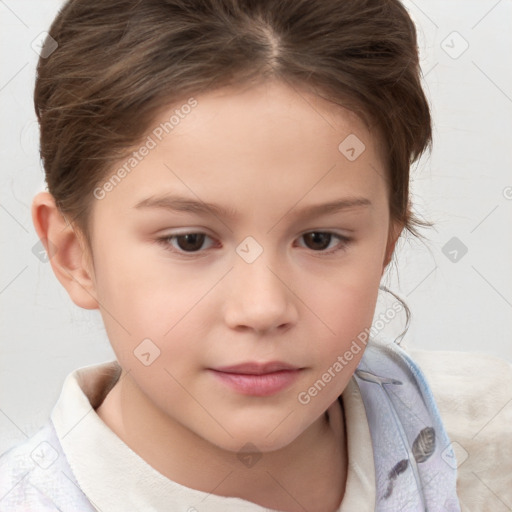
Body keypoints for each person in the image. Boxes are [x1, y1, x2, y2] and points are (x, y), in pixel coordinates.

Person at [0, 0, 510, 510]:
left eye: (320, 239)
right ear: (72, 255)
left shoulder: (487, 432)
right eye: (190, 241)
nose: (263, 308)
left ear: (386, 244)